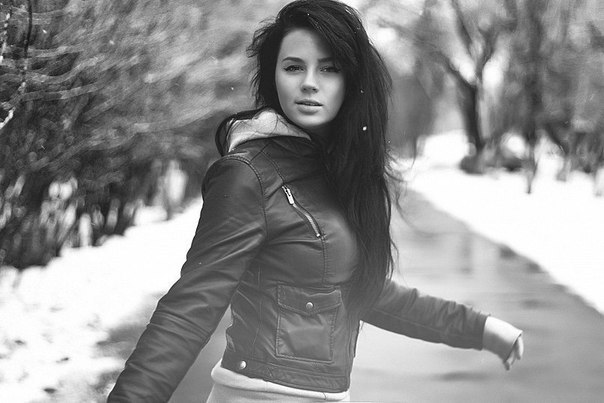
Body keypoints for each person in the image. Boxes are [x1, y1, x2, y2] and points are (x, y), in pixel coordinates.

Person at [108, 0, 524, 401]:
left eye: (329, 68)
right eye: (293, 67)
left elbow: (362, 290)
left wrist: (477, 328)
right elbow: (191, 307)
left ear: (352, 81)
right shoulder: (248, 175)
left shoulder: (332, 173)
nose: (309, 82)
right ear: (273, 77)